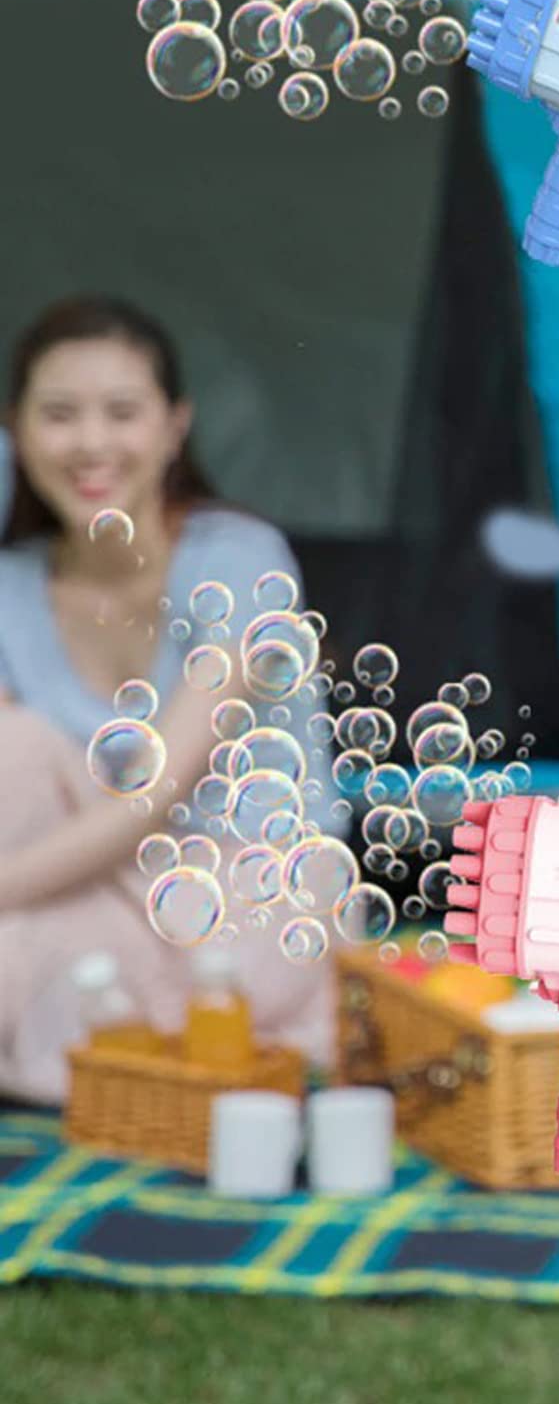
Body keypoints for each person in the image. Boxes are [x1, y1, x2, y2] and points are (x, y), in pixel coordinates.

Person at [0, 297, 337, 1105]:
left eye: (122, 413)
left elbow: (154, 794)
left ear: (174, 426)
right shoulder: (12, 583)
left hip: (239, 898)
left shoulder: (237, 560)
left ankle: (103, 1039)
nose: (91, 444)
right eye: (58, 415)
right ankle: (114, 1041)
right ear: (15, 430)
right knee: (12, 747)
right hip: (86, 887)